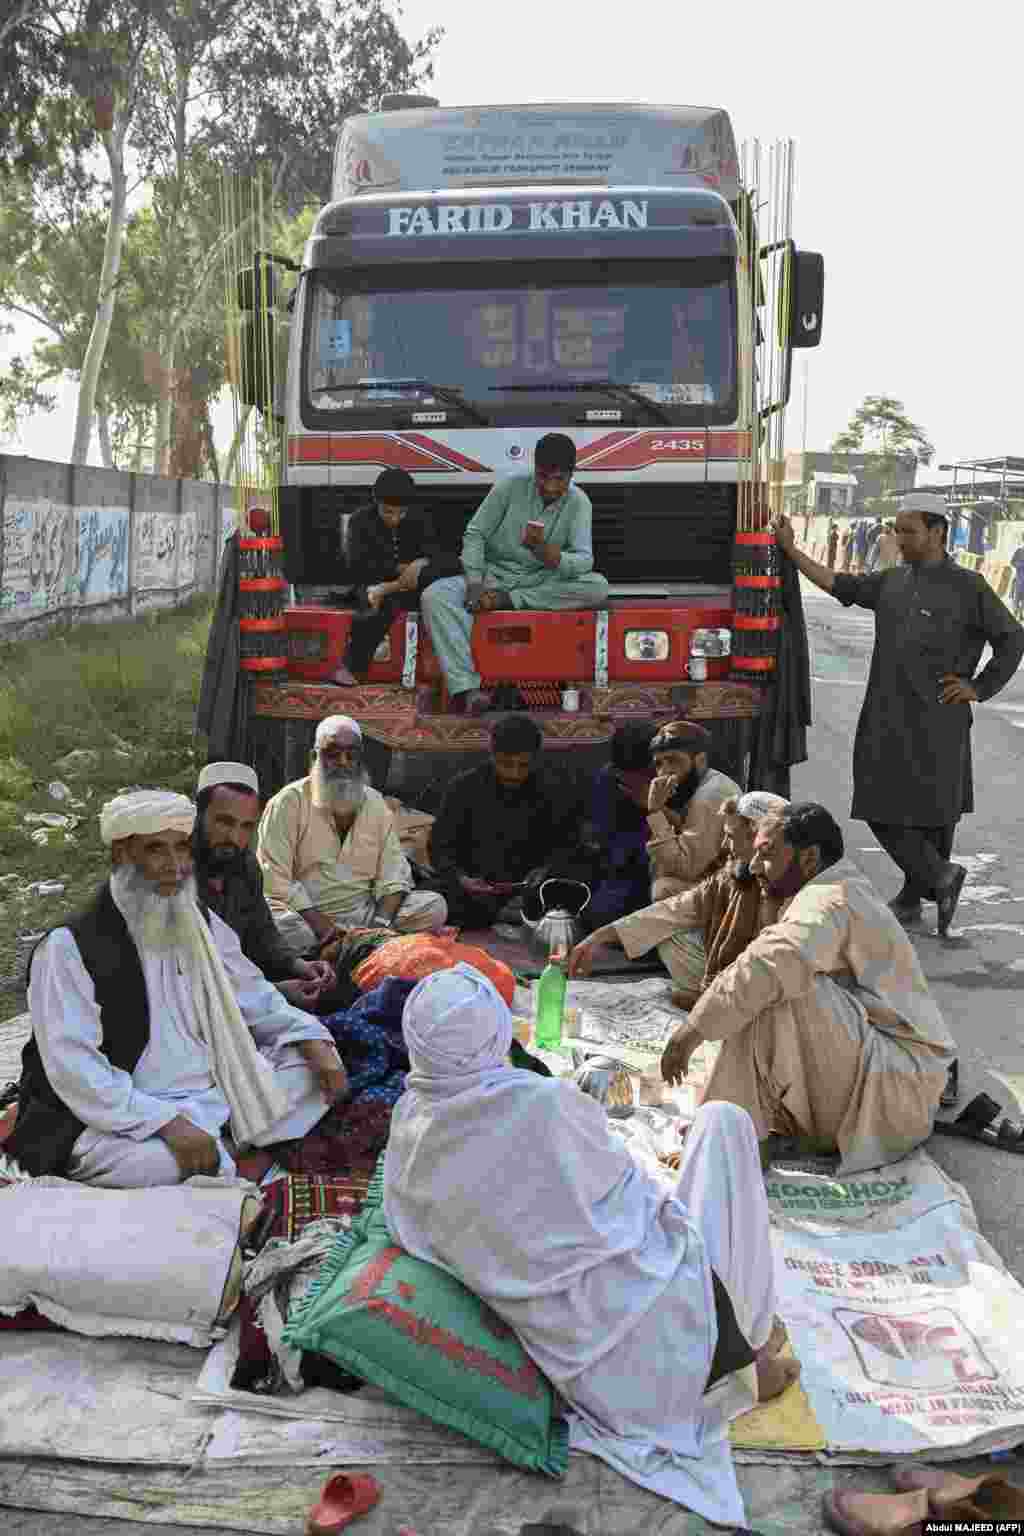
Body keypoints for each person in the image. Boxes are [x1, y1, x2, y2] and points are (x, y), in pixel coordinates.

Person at [383, 964, 800, 1528]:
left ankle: (738, 1365)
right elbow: (644, 1209)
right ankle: (742, 1366)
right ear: (494, 1036)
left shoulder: (408, 1142)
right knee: (723, 1123)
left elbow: (420, 1234)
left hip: (599, 1389)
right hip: (682, 1352)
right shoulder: (546, 1105)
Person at [6, 791, 348, 1185]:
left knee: (314, 1069)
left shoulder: (196, 919)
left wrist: (311, 1039)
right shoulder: (69, 946)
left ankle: (219, 1142)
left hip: (211, 1091)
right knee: (154, 1163)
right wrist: (164, 1122)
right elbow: (75, 1068)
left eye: (182, 849)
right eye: (156, 850)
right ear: (121, 855)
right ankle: (221, 1144)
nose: (175, 866)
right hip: (127, 1109)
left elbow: (254, 993)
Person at [660, 804, 957, 1174]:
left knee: (773, 985)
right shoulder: (827, 889)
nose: (753, 866)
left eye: (766, 855)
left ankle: (733, 1138)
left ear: (810, 858)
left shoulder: (830, 898)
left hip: (894, 1095)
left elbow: (770, 963)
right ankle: (734, 1131)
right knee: (759, 988)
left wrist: (689, 1033)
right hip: (876, 1078)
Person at [774, 497, 1024, 934]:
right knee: (876, 799)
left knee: (935, 812)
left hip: (939, 717)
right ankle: (939, 878)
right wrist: (792, 552)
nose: (899, 538)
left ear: (937, 533)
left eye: (908, 531)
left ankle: (915, 897)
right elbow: (839, 584)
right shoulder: (891, 581)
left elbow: (1012, 638)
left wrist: (979, 687)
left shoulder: (970, 587)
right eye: (897, 529)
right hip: (886, 712)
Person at [420, 434, 610, 714]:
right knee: (434, 595)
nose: (550, 487)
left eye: (559, 479)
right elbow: (476, 533)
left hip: (540, 581)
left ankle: (508, 600)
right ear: (535, 469)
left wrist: (551, 555)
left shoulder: (579, 502)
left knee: (598, 587)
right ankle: (467, 689)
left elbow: (584, 561)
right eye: (543, 477)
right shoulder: (510, 486)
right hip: (492, 577)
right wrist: (474, 582)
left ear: (571, 475)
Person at [570, 790, 788, 1008]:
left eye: (730, 836)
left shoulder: (789, 886)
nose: (724, 845)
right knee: (668, 930)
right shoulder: (732, 874)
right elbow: (674, 910)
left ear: (757, 837)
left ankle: (720, 1003)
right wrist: (600, 936)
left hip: (775, 990)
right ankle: (715, 997)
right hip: (738, 979)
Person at [257, 714, 446, 957]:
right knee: (281, 926)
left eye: (351, 754)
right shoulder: (287, 802)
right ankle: (353, 949)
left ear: (360, 759)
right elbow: (274, 877)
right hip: (305, 916)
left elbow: (394, 874)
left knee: (434, 907)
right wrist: (320, 924)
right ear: (315, 757)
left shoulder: (376, 803)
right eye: (332, 754)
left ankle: (348, 948)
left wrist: (380, 925)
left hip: (364, 915)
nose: (343, 762)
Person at [193, 761, 336, 1010]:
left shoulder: (244, 864)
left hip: (243, 988)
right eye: (225, 822)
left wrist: (300, 966)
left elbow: (262, 932)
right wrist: (276, 992)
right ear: (199, 814)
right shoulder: (172, 875)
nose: (235, 838)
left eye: (246, 826)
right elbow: (189, 974)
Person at [427, 713, 588, 929]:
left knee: (579, 882)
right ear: (492, 755)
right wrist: (462, 878)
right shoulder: (464, 787)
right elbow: (439, 846)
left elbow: (570, 842)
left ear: (535, 759)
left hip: (533, 887)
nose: (513, 773)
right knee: (433, 900)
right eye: (505, 764)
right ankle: (502, 913)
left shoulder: (554, 787)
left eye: (523, 765)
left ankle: (513, 911)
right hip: (477, 889)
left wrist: (546, 869)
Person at [331, 468, 460, 686]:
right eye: (388, 512)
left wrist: (421, 565)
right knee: (376, 604)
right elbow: (359, 565)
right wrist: (403, 570)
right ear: (376, 503)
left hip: (413, 586)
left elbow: (441, 558)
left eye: (401, 513)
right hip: (374, 584)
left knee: (438, 581)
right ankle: (352, 667)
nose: (395, 519)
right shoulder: (360, 520)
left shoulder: (421, 519)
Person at [644, 719, 741, 903]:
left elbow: (685, 869)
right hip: (712, 881)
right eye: (658, 764)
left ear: (700, 760)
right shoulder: (707, 781)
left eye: (673, 760)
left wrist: (655, 812)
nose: (664, 771)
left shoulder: (710, 796)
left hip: (728, 894)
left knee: (663, 888)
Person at [582, 720, 659, 931]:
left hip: (665, 869)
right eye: (625, 777)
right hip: (623, 867)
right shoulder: (609, 779)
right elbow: (603, 835)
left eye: (639, 778)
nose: (631, 784)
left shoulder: (675, 780)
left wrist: (653, 807)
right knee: (598, 916)